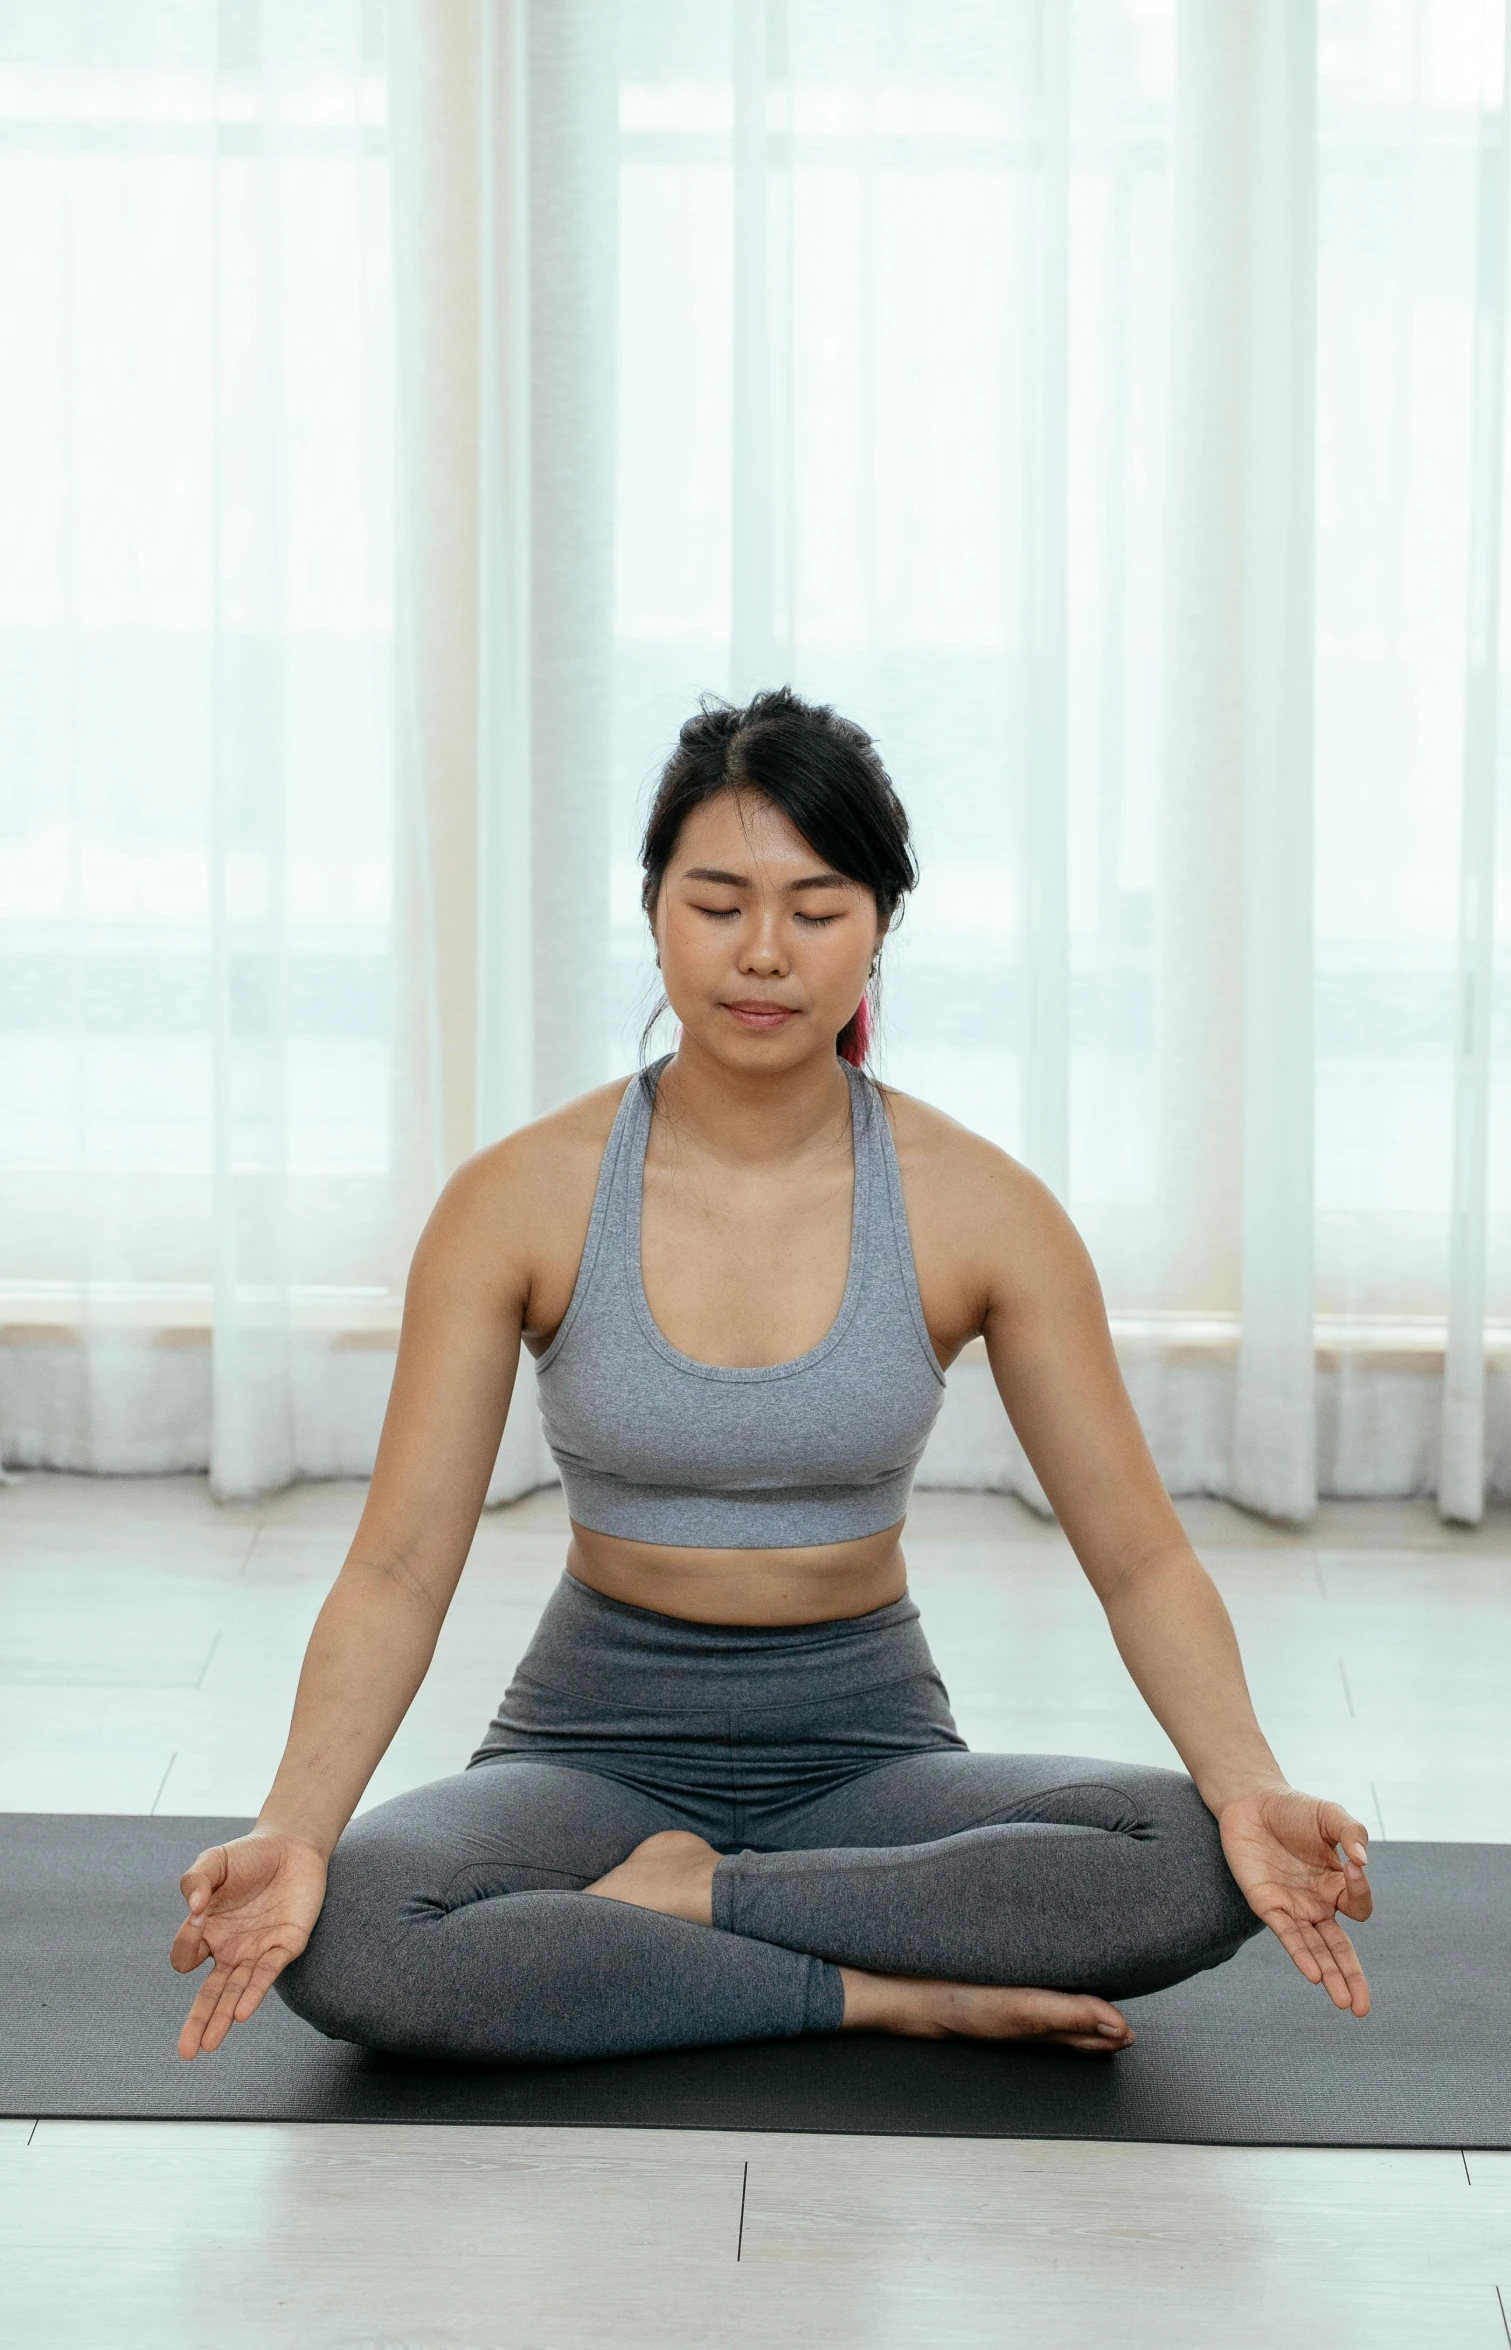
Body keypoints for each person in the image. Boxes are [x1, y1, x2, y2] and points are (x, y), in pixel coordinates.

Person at [171, 687, 1373, 2067]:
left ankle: (699, 1910)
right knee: (361, 1929)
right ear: (652, 910)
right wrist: (291, 1826)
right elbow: (396, 1567)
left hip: (869, 1751)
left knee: (1192, 1856)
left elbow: (1141, 1559)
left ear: (878, 924)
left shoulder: (980, 1207)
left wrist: (1249, 1783)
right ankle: (886, 1987)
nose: (762, 952)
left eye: (815, 907)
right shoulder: (519, 1198)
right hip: (588, 1746)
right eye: (717, 901)